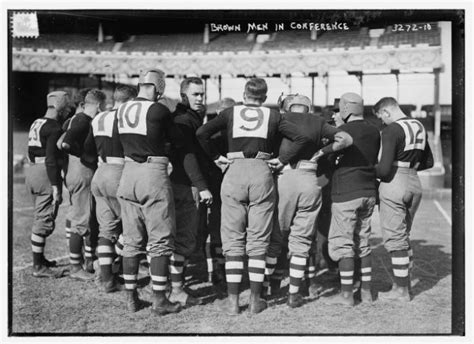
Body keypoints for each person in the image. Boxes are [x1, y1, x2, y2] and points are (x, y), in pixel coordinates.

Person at [196, 78, 310, 315]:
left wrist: (217, 158)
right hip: (261, 170)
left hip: (234, 170)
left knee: (233, 238)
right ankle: (256, 300)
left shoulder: (229, 112)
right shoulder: (274, 116)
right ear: (265, 97)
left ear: (244, 94)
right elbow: (301, 137)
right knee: (259, 239)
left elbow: (202, 133)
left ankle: (233, 301)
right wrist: (281, 160)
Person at [116, 69, 191, 315]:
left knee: (131, 239)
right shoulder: (158, 110)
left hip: (127, 174)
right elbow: (177, 139)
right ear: (157, 87)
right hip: (152, 173)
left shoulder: (122, 108)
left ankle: (131, 298)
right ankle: (159, 300)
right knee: (159, 239)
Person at [274, 94, 353, 308]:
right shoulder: (318, 121)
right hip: (310, 179)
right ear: (308, 107)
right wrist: (321, 152)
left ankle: (268, 287)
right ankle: (295, 293)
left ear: (287, 106)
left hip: (285, 178)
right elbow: (346, 139)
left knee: (275, 235)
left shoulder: (279, 118)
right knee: (302, 241)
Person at [321, 92, 380, 306]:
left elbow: (328, 160)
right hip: (368, 191)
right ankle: (366, 292)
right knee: (363, 243)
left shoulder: (341, 131)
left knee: (343, 243)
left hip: (346, 191)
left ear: (345, 109)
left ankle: (346, 295)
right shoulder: (375, 130)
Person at [373, 97, 433, 302]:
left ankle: (401, 290)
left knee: (395, 238)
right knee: (404, 235)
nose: (382, 122)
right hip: (414, 182)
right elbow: (429, 161)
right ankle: (404, 283)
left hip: (394, 182)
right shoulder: (419, 126)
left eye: (381, 117)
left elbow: (383, 168)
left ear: (386, 112)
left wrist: (367, 171)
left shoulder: (392, 130)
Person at [84, 85, 137, 292]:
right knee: (134, 225)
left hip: (100, 172)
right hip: (120, 171)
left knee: (106, 228)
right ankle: (118, 267)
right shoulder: (126, 117)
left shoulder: (98, 117)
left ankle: (106, 278)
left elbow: (87, 149)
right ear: (130, 101)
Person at [168, 77, 213, 307]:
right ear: (183, 95)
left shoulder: (182, 118)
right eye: (195, 94)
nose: (200, 98)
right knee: (183, 239)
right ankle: (176, 289)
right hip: (185, 186)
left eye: (202, 94)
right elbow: (188, 156)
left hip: (173, 183)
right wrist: (202, 185)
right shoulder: (185, 121)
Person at [59, 89, 105, 281]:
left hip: (73, 170)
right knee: (81, 219)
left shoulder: (73, 120)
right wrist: (83, 157)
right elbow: (64, 143)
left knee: (84, 216)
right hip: (82, 172)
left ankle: (86, 260)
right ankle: (75, 267)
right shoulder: (82, 120)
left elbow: (61, 140)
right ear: (99, 105)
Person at [26, 91, 69, 277]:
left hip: (32, 170)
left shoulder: (37, 122)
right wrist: (55, 186)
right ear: (60, 108)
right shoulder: (54, 127)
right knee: (43, 219)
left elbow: (30, 152)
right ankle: (38, 266)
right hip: (45, 173)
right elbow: (51, 159)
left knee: (40, 215)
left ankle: (40, 259)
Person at [200, 97, 235, 286]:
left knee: (213, 231)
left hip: (213, 185)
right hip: (227, 187)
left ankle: (213, 269)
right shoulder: (237, 135)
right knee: (228, 231)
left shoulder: (210, 135)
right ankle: (222, 268)